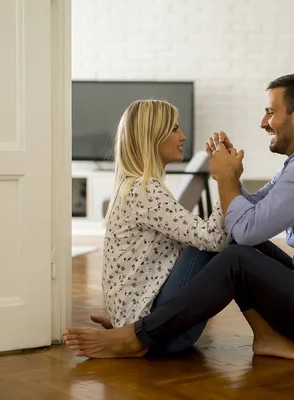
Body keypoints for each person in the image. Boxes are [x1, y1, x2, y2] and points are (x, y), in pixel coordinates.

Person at [63, 73, 294, 361]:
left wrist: (226, 180)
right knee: (243, 248)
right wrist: (231, 180)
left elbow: (245, 227)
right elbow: (246, 212)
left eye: (270, 112)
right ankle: (259, 336)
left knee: (239, 254)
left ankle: (136, 335)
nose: (263, 122)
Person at [81, 99, 231, 357]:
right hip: (161, 335)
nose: (182, 136)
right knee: (229, 247)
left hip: (145, 320)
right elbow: (213, 240)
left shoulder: (136, 186)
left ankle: (124, 324)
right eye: (174, 129)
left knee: (229, 238)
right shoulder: (145, 190)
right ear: (153, 136)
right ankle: (267, 336)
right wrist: (226, 180)